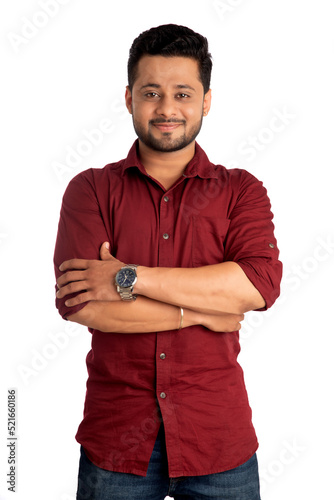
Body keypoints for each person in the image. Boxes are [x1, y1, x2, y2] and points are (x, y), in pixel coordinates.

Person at [54, 24, 282, 500]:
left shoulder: (242, 190)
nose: (167, 109)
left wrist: (126, 277)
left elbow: (257, 286)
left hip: (218, 441)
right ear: (129, 98)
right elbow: (81, 303)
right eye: (151, 92)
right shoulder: (90, 189)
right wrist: (200, 310)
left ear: (206, 100)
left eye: (183, 93)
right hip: (117, 444)